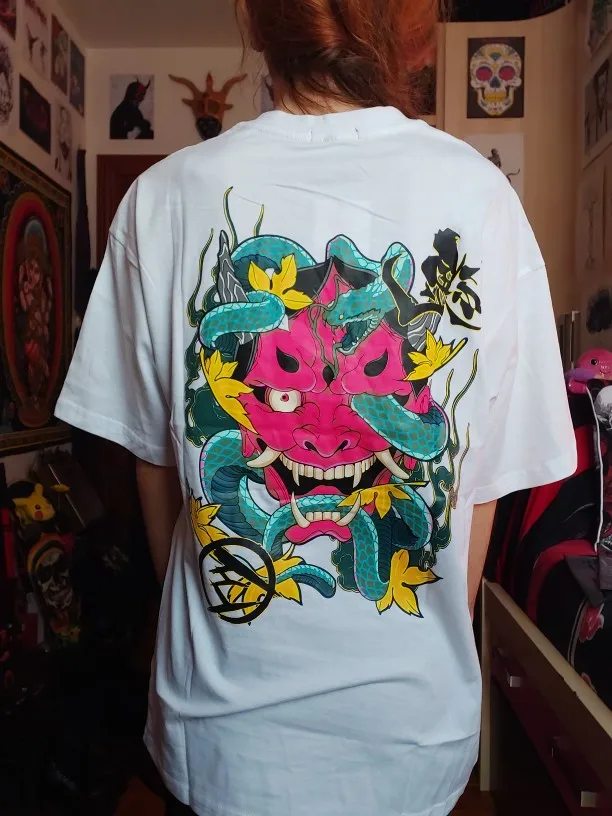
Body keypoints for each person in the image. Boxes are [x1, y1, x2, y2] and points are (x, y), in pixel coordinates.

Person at [55, 1, 577, 814]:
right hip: (413, 735)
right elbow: (478, 496)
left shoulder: (164, 197)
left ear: (257, 18)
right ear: (418, 30)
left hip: (216, 733)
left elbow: (155, 474)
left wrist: (222, 599)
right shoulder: (482, 197)